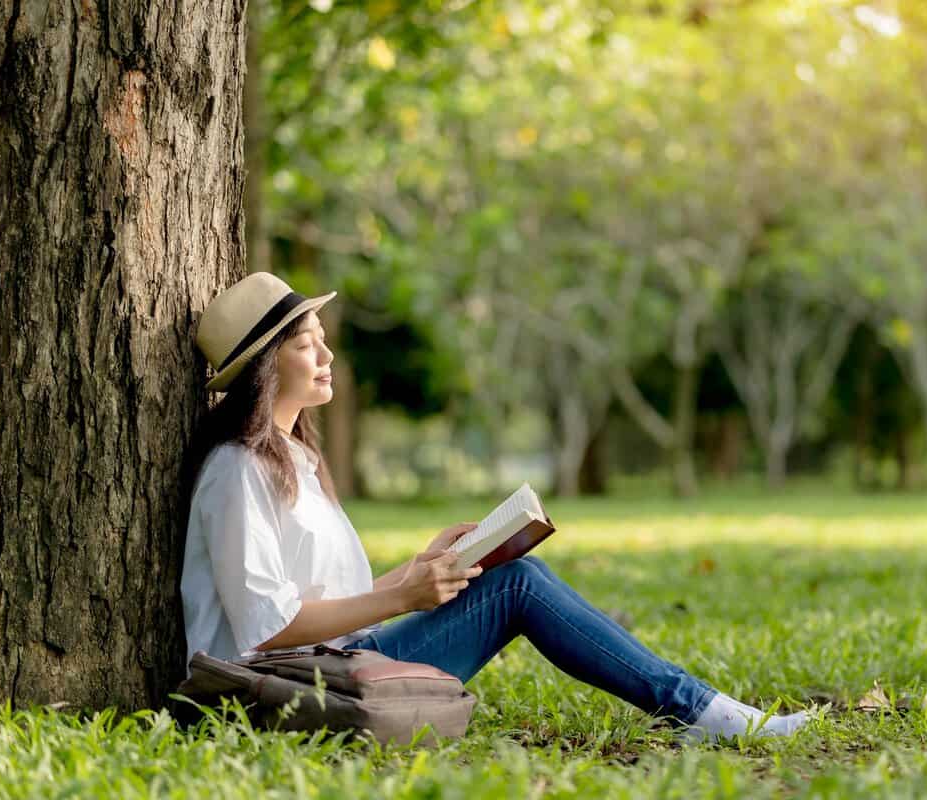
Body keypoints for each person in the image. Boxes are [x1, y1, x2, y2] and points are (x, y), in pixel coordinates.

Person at [180, 273, 811, 742]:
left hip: (340, 665)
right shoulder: (238, 469)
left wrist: (422, 568)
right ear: (266, 366)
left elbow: (330, 607)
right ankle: (703, 712)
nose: (327, 357)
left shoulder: (297, 462)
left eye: (323, 341)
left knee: (505, 577)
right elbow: (266, 627)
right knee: (517, 585)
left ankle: (700, 709)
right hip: (276, 698)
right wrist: (404, 597)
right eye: (306, 346)